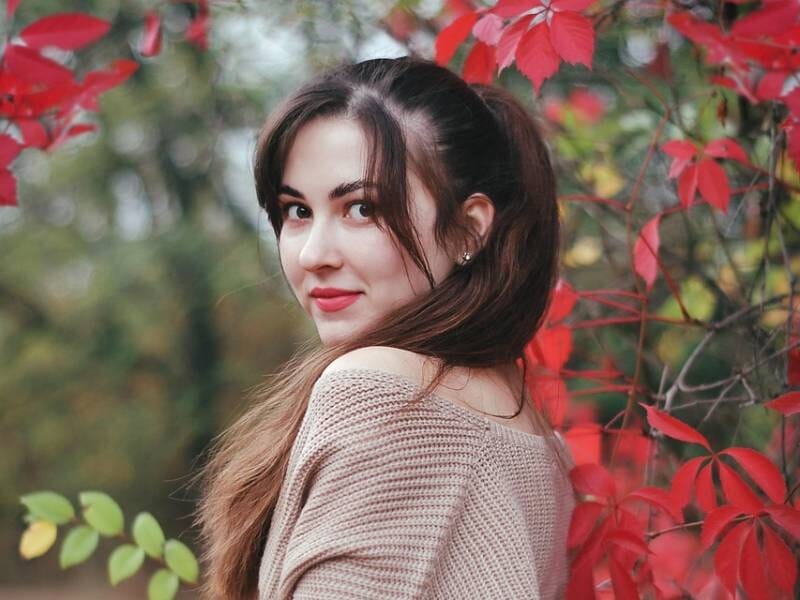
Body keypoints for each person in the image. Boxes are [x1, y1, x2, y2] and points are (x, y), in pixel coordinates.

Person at [192, 56, 575, 599]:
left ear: (468, 228)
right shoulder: (532, 433)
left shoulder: (379, 391)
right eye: (296, 211)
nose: (314, 255)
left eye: (362, 208)